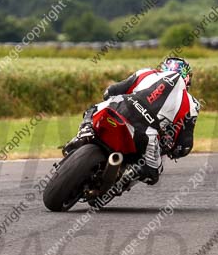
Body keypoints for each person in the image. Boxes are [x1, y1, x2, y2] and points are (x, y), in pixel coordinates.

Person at [63, 57, 199, 186]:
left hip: (117, 108)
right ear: (187, 79)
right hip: (146, 133)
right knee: (153, 174)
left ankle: (84, 131)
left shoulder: (146, 73)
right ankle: (128, 176)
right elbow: (184, 144)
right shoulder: (192, 104)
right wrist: (174, 150)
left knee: (94, 109)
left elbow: (109, 92)